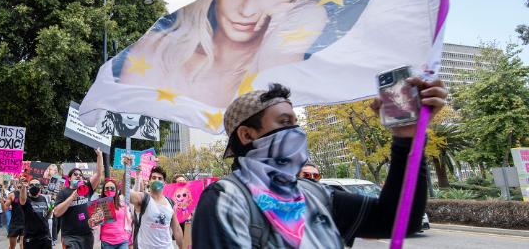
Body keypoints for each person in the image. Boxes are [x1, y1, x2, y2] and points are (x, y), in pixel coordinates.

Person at [192, 80, 447, 248]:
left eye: (295, 122)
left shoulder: (314, 194)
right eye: (283, 123)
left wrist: (407, 139)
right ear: (247, 135)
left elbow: (398, 220)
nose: (296, 132)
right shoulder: (226, 199)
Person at [117, 0, 328, 108]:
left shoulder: (285, 49)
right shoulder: (157, 51)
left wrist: (278, 48)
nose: (248, 9)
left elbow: (281, 108)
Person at [121, 163, 183, 249]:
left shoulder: (170, 203)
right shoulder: (143, 198)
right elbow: (126, 192)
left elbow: (176, 229)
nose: (157, 180)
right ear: (149, 181)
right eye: (154, 178)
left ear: (164, 183)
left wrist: (182, 247)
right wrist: (127, 170)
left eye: (160, 178)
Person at [53, 148, 103, 249]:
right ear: (70, 178)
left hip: (87, 234)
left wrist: (99, 155)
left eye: (80, 175)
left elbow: (98, 173)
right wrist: (72, 196)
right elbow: (57, 212)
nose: (78, 176)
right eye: (75, 174)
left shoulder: (87, 188)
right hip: (70, 237)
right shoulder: (63, 193)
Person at [18, 178, 52, 249]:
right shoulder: (26, 199)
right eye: (32, 184)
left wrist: (52, 207)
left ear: (40, 187)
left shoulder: (44, 198)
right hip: (31, 239)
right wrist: (23, 187)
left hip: (45, 238)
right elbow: (22, 200)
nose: (34, 186)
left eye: (37, 184)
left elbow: (47, 215)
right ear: (28, 186)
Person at [97, 179, 131, 249]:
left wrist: (136, 175)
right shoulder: (99, 204)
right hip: (107, 241)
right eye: (106, 188)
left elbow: (130, 191)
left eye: (112, 188)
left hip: (123, 240)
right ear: (103, 190)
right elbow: (95, 224)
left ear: (116, 190)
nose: (109, 190)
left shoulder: (122, 201)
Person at [5, 175, 26, 249]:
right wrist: (2, 202)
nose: (22, 183)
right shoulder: (12, 195)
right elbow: (5, 208)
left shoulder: (29, 194)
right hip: (14, 223)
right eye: (21, 181)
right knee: (12, 246)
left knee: (22, 245)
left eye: (24, 181)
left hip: (25, 223)